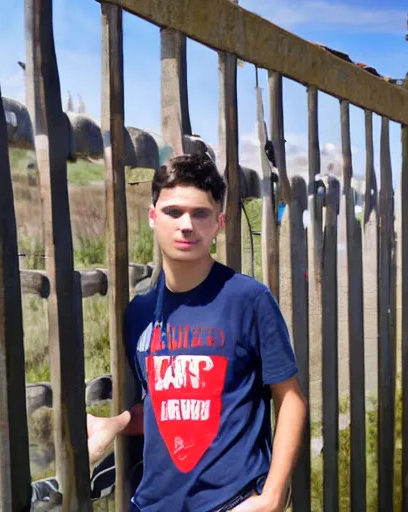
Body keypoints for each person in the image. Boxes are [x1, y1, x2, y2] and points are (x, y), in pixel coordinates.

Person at [87, 154, 307, 512]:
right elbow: (167, 402)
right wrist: (115, 423)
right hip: (152, 504)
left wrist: (272, 497)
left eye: (200, 213)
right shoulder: (139, 314)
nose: (186, 225)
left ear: (218, 223)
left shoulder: (248, 300)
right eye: (173, 212)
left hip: (230, 501)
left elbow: (292, 399)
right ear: (152, 217)